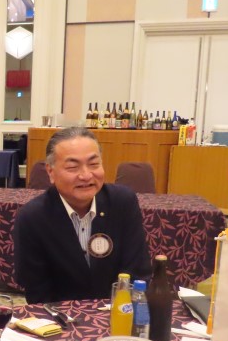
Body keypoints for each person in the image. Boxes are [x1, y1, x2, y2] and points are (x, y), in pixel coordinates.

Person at [13, 127, 151, 304]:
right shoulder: (33, 217)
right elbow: (37, 292)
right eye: (72, 167)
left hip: (117, 312)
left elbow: (138, 271)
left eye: (94, 164)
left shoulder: (122, 202)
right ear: (50, 172)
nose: (86, 175)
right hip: (60, 316)